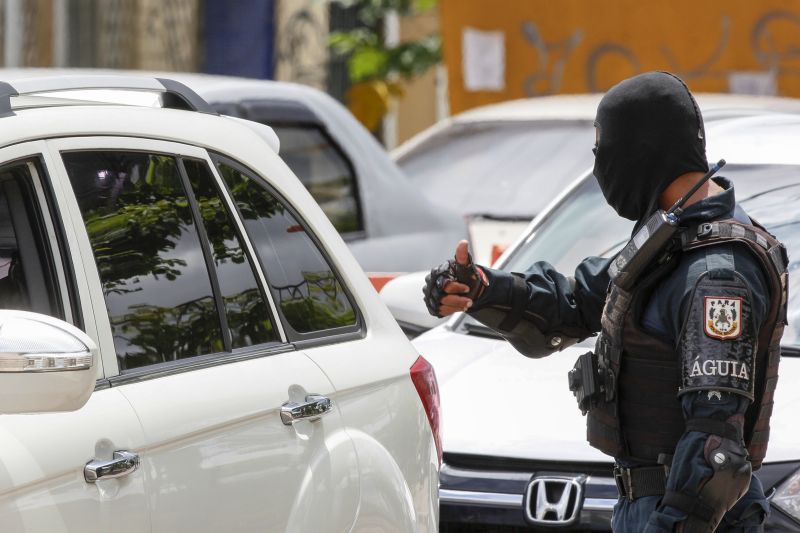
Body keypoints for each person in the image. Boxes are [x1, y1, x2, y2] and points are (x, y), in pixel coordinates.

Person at [423, 72, 788, 532]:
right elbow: (575, 303)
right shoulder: (671, 239)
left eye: (604, 151)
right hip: (649, 504)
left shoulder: (715, 274)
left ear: (643, 150)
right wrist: (478, 288)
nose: (600, 168)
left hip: (689, 514)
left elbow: (717, 451)